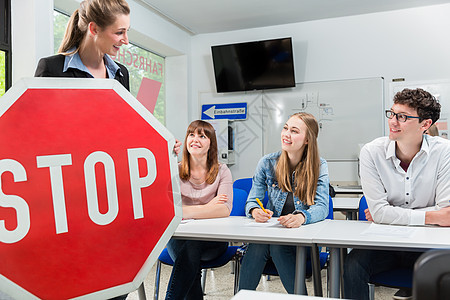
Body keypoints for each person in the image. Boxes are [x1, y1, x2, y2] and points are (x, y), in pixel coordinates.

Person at [344, 88, 450, 300]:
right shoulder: (372, 152)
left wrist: (389, 214)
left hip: (428, 243)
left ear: (425, 125)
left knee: (442, 270)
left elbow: (446, 213)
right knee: (352, 265)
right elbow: (380, 212)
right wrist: (431, 216)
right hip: (385, 243)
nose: (393, 121)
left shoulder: (444, 151)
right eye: (392, 114)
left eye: (402, 117)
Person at [238, 112, 330, 294]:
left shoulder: (319, 165)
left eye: (294, 131)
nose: (286, 134)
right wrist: (256, 211)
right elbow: (251, 201)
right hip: (273, 236)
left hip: (301, 242)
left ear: (307, 140)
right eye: (285, 128)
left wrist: (302, 217)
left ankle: (300, 297)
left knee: (275, 246)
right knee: (260, 244)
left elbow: (322, 207)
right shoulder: (267, 163)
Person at [165, 120, 233, 300]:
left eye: (202, 136)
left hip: (213, 240)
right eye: (191, 134)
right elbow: (168, 210)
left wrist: (184, 211)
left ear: (211, 144)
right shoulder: (174, 169)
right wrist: (208, 207)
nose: (195, 139)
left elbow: (224, 210)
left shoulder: (222, 171)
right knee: (189, 255)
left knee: (191, 249)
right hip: (179, 238)